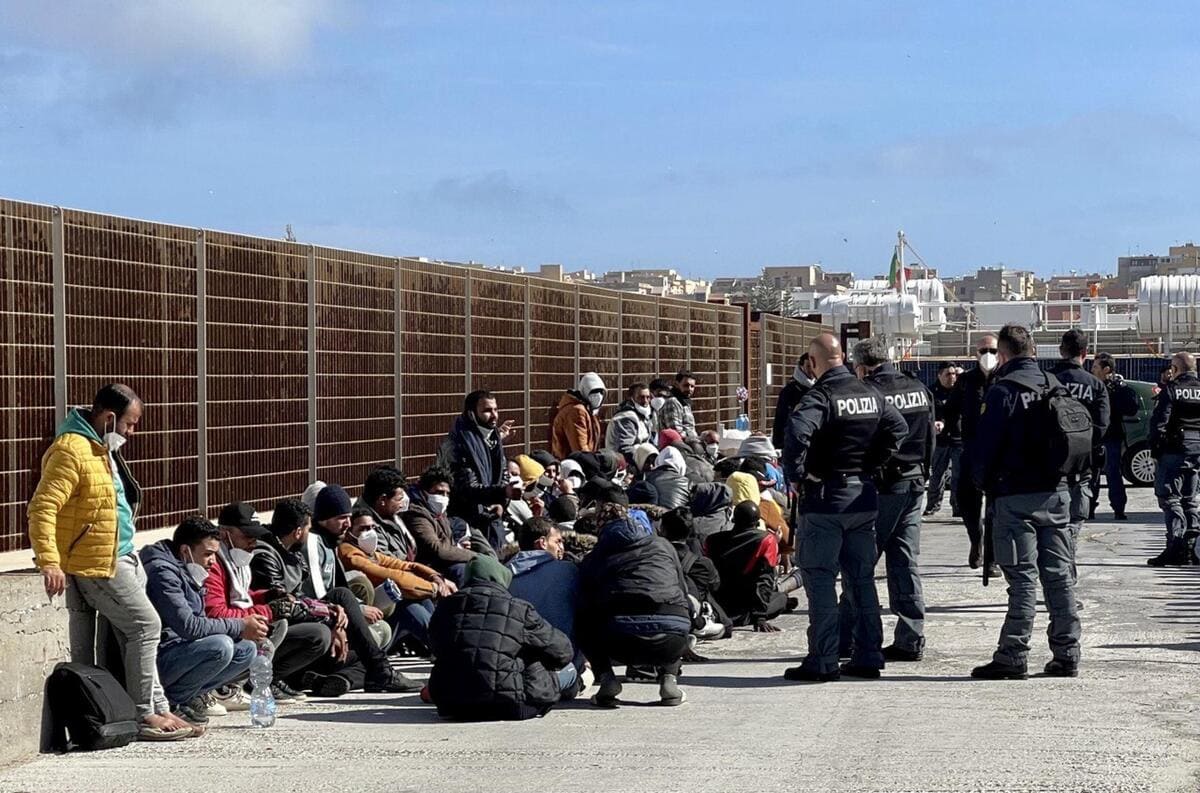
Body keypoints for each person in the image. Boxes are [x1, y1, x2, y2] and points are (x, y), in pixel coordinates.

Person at [28, 384, 192, 741]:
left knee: (138, 633)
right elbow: (43, 507)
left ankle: (159, 706)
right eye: (129, 424)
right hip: (98, 563)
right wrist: (49, 561)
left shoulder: (101, 448)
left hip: (123, 556)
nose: (131, 432)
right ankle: (145, 714)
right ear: (108, 417)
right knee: (146, 625)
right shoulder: (71, 450)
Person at [781, 332, 907, 682]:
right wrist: (871, 464)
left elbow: (797, 432)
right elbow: (899, 428)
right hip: (862, 497)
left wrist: (797, 475)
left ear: (812, 362)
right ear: (845, 358)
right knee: (861, 579)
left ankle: (823, 659)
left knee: (820, 579)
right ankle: (868, 655)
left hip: (825, 501)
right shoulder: (869, 393)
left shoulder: (820, 396)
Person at [970, 324, 1080, 679]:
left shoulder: (1003, 391)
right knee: (1059, 577)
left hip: (1015, 496)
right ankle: (1067, 652)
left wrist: (982, 484)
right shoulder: (1055, 384)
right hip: (1056, 493)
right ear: (1032, 350)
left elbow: (984, 450)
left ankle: (1013, 654)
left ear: (1002, 355)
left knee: (1021, 580)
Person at [845, 336, 934, 662]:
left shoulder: (868, 392)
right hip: (914, 483)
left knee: (859, 563)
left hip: (882, 487)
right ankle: (910, 637)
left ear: (862, 366)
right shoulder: (917, 388)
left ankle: (851, 638)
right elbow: (930, 438)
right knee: (904, 561)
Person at [208, 501, 340, 700]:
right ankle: (229, 688)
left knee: (301, 628)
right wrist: (268, 610)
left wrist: (267, 596)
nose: (253, 543)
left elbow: (242, 597)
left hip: (238, 628)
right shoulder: (213, 563)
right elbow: (216, 614)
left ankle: (264, 680)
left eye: (255, 537)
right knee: (267, 633)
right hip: (221, 636)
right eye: (247, 536)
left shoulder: (238, 560)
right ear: (225, 534)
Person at [141, 516, 261, 724]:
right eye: (207, 554)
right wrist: (240, 625)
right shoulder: (163, 573)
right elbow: (189, 626)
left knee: (246, 650)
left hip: (181, 649)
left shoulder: (189, 568)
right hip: (161, 656)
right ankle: (171, 702)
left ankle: (185, 698)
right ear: (185, 550)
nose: (213, 561)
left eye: (214, 554)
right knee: (221, 647)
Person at [428, 555, 576, 721]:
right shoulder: (518, 608)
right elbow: (563, 652)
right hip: (510, 704)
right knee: (570, 670)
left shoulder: (445, 607)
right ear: (501, 579)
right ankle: (578, 684)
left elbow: (435, 646)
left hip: (452, 705)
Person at [307, 485, 424, 692]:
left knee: (372, 653)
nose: (347, 524)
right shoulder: (314, 543)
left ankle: (340, 680)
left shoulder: (330, 543)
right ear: (324, 519)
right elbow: (319, 598)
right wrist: (337, 627)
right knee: (343, 596)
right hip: (319, 625)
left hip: (332, 622)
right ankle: (381, 671)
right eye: (341, 518)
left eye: (348, 517)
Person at [577, 501, 691, 707]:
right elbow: (682, 590)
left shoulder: (594, 557)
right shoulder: (663, 546)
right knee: (676, 611)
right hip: (671, 639)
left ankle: (607, 680)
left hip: (619, 641)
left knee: (583, 619)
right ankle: (669, 680)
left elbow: (585, 600)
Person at [340, 508, 453, 649]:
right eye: (363, 529)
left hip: (382, 614)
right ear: (349, 533)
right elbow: (396, 579)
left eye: (372, 527)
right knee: (408, 607)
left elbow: (406, 565)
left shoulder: (370, 554)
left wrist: (435, 577)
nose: (370, 532)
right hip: (369, 621)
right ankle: (446, 648)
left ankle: (447, 642)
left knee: (422, 599)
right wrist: (434, 588)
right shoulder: (350, 554)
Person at [1049, 329, 1110, 580]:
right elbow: (1102, 426)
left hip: (1051, 463)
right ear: (1085, 353)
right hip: (1083, 462)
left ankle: (1058, 568)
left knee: (1052, 522)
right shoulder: (1096, 385)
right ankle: (1065, 568)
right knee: (1074, 519)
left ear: (1061, 351)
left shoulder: (1047, 380)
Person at [438, 390, 520, 551]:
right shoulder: (457, 445)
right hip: (468, 523)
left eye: (496, 410)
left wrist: (501, 502)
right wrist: (503, 492)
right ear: (472, 414)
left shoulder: (493, 439)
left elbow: (502, 473)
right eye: (487, 411)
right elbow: (467, 488)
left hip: (492, 520)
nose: (494, 415)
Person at [507, 517, 584, 673]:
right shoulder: (568, 571)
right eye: (558, 541)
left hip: (516, 667)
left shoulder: (504, 575)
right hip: (561, 665)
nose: (562, 547)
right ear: (542, 543)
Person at [949, 333, 1000, 571]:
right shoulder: (966, 380)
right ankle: (975, 541)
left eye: (993, 351)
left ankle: (991, 558)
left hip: (998, 452)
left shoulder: (1005, 378)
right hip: (971, 449)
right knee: (967, 502)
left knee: (995, 508)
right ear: (975, 354)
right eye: (983, 351)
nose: (988, 355)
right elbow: (952, 411)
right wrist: (954, 434)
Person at [1147, 352, 1200, 566]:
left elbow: (1160, 422)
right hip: (1197, 450)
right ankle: (1190, 548)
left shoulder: (1172, 389)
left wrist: (1156, 450)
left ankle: (1175, 545)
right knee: (1189, 499)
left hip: (1174, 449)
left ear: (1175, 369)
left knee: (1169, 497)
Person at [706, 501, 789, 631]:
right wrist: (760, 617)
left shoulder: (712, 540)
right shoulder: (766, 540)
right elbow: (764, 580)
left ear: (733, 519)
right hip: (745, 606)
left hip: (717, 605)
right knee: (782, 598)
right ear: (757, 522)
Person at [406, 464, 477, 583]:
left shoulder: (440, 512)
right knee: (461, 570)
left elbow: (447, 542)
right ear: (425, 492)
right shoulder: (417, 514)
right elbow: (438, 550)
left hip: (442, 564)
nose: (443, 497)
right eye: (439, 492)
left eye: (447, 493)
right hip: (428, 568)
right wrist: (475, 556)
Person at [1090, 353, 1140, 520]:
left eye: (1096, 366)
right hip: (1094, 436)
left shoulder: (1118, 388)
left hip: (1112, 435)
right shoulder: (1091, 387)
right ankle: (1089, 507)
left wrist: (1119, 389)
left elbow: (1131, 408)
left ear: (1106, 369)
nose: (1092, 370)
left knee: (1113, 472)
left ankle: (1118, 508)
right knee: (1093, 473)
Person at [354, 466, 418, 560]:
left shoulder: (390, 515)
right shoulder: (367, 528)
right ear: (383, 500)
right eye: (399, 499)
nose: (401, 505)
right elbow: (388, 562)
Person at [925, 362, 962, 517]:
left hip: (958, 438)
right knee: (937, 474)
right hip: (940, 440)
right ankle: (933, 505)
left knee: (958, 476)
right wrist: (933, 423)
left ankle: (957, 506)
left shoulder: (961, 390)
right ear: (939, 375)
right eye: (948, 374)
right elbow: (927, 413)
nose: (951, 377)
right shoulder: (931, 392)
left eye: (954, 374)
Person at [551, 372, 607, 459]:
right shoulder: (577, 412)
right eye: (593, 391)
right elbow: (580, 449)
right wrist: (591, 463)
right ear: (585, 391)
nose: (598, 395)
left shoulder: (588, 410)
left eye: (601, 392)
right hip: (573, 462)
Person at [772, 353, 815, 450]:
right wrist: (779, 444)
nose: (811, 370)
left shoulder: (820, 386)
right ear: (801, 367)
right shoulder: (790, 390)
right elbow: (780, 418)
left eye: (813, 366)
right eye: (808, 366)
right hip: (793, 440)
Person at [606, 383, 656, 464]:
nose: (645, 401)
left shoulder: (641, 415)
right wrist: (648, 460)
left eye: (648, 397)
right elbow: (624, 449)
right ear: (631, 398)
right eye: (641, 397)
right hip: (625, 465)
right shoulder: (626, 418)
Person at [657, 369, 704, 453]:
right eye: (686, 385)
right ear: (677, 384)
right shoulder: (672, 402)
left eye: (692, 386)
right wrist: (696, 439)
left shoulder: (684, 402)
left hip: (689, 444)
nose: (689, 389)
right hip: (677, 449)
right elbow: (676, 432)